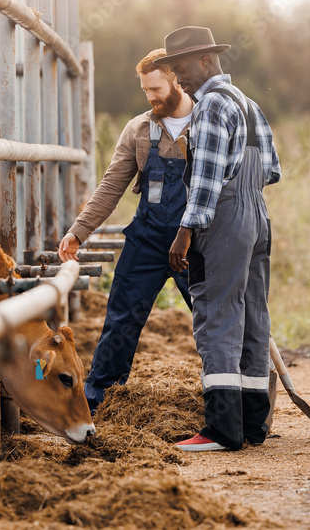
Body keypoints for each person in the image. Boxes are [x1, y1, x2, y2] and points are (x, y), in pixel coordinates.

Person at [161, 26, 282, 452]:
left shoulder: (210, 106)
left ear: (207, 61)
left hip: (224, 220)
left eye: (182, 70)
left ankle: (221, 429)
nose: (179, 82)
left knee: (217, 314)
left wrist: (184, 231)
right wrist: (245, 196)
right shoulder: (248, 104)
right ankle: (252, 424)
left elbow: (208, 178)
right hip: (257, 218)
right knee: (252, 315)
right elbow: (272, 169)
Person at [58, 48, 194, 414]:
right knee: (120, 317)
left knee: (215, 322)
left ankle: (231, 399)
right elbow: (111, 187)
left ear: (176, 80)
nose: (150, 97)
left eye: (156, 88)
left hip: (195, 240)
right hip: (148, 238)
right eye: (145, 90)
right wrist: (79, 231)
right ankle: (99, 397)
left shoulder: (206, 124)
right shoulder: (138, 130)